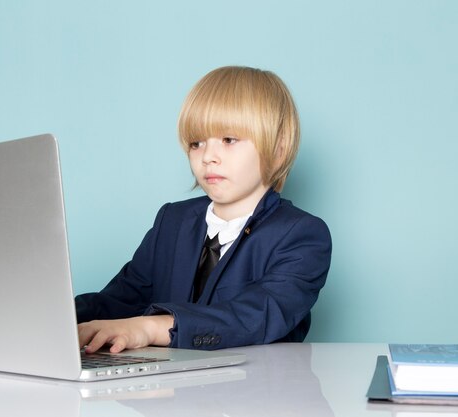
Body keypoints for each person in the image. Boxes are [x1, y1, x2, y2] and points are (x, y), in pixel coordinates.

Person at [76, 66, 332, 354]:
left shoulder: (302, 235)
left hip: (257, 392)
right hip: (172, 388)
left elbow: (255, 316)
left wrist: (148, 327)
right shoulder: (172, 220)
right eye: (196, 143)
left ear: (278, 148)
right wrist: (59, 316)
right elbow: (121, 299)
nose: (208, 157)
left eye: (229, 140)